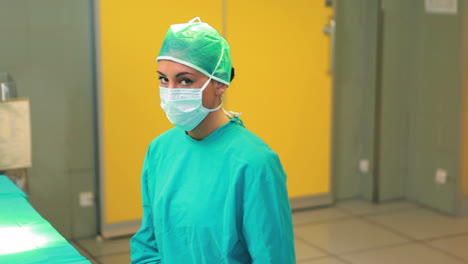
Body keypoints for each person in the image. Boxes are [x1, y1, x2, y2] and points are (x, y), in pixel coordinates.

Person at [130, 17, 295, 264]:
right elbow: (148, 242)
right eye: (164, 79)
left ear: (219, 84)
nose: (171, 91)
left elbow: (271, 256)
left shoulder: (254, 163)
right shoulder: (160, 150)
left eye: (185, 80)